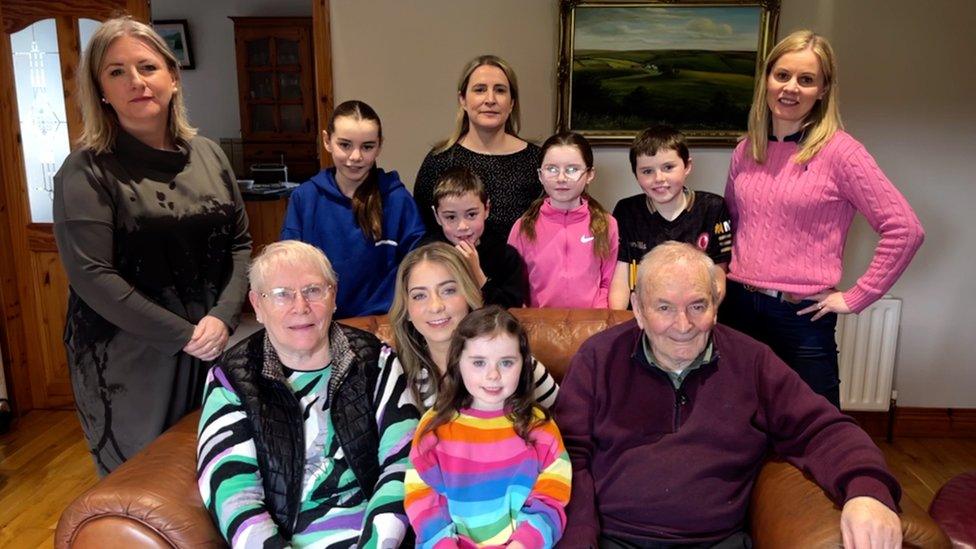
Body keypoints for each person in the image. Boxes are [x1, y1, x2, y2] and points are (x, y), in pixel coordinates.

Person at [555, 241, 902, 549]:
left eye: (697, 306)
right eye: (663, 308)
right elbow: (568, 456)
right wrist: (579, 537)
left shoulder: (752, 361)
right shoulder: (598, 357)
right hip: (616, 537)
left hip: (717, 541)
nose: (683, 325)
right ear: (638, 308)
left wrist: (867, 492)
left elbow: (823, 429)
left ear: (716, 305)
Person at [52, 16, 251, 476]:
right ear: (100, 89)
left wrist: (221, 319)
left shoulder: (209, 155)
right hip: (131, 361)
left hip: (214, 342)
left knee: (221, 473)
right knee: (146, 484)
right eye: (116, 71)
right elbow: (92, 277)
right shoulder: (86, 171)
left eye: (147, 67)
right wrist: (184, 336)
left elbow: (240, 244)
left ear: (173, 78)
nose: (136, 81)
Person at [720, 30, 924, 407]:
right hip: (738, 309)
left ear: (824, 90)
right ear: (766, 79)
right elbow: (731, 224)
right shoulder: (747, 150)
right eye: (782, 75)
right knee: (740, 421)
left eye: (806, 79)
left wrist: (857, 296)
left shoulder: (842, 153)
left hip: (800, 316)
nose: (790, 88)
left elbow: (905, 229)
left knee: (817, 427)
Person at [196, 241, 420, 547]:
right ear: (257, 305)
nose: (300, 306)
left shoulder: (376, 360)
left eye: (314, 290)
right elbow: (233, 495)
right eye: (281, 294)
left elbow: (403, 462)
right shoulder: (231, 379)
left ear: (333, 296)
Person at [405, 306, 571, 548]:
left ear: (523, 364)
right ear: (458, 362)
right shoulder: (434, 427)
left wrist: (524, 543)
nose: (493, 375)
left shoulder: (541, 428)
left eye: (506, 363)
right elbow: (421, 497)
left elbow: (552, 496)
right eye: (479, 362)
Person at [281, 99, 425, 319]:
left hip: (383, 324)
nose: (355, 157)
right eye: (345, 145)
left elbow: (419, 267)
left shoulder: (398, 200)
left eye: (367, 146)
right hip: (320, 322)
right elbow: (289, 267)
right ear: (327, 141)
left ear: (379, 145)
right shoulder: (305, 198)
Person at [389, 242, 557, 410]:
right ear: (406, 310)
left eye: (449, 290)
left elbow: (565, 427)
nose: (435, 306)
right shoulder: (399, 376)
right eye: (419, 296)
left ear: (469, 295)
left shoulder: (513, 364)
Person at [413, 55, 543, 243]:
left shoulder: (536, 161)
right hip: (455, 270)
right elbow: (424, 233)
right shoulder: (439, 160)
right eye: (480, 90)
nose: (490, 99)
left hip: (519, 271)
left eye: (500, 90)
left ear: (512, 102)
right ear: (463, 100)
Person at [609, 126, 732, 310]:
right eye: (647, 171)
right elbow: (621, 275)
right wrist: (617, 323)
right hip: (641, 316)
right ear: (635, 174)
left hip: (695, 315)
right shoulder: (627, 210)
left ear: (687, 166)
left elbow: (718, 276)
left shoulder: (712, 208)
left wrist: (699, 315)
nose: (659, 178)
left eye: (668, 167)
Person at [508, 132, 618, 309]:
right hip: (540, 325)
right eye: (551, 169)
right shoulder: (523, 227)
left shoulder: (607, 224)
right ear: (540, 175)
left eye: (572, 169)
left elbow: (609, 282)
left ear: (589, 174)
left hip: (591, 326)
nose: (561, 178)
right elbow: (515, 286)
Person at [424, 166, 528, 307]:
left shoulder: (506, 257)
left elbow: (510, 311)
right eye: (450, 217)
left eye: (471, 214)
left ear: (486, 209)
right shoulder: (426, 256)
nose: (462, 226)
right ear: (436, 216)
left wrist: (477, 275)